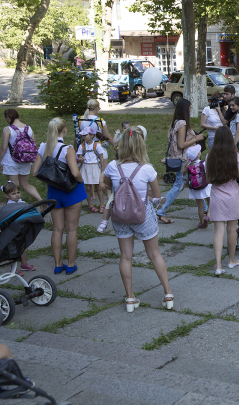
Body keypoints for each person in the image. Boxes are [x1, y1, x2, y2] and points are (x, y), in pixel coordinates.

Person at [102, 126, 173, 312]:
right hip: (143, 215)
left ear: (122, 145)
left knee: (125, 256)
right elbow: (156, 196)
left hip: (120, 216)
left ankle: (130, 298)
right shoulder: (147, 169)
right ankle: (167, 293)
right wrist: (142, 191)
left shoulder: (112, 166)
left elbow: (106, 185)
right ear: (141, 146)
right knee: (155, 254)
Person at [31, 118, 86, 275]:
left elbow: (35, 172)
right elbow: (75, 173)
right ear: (64, 130)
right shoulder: (68, 149)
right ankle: (70, 264)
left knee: (57, 229)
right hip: (71, 192)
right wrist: (82, 180)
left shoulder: (43, 147)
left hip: (53, 192)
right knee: (72, 229)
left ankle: (57, 264)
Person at [205, 126, 239, 275]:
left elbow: (208, 180)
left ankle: (218, 266)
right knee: (231, 230)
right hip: (233, 195)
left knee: (218, 231)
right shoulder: (236, 156)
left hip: (216, 195)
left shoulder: (210, 156)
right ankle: (231, 260)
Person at [156, 98, 206, 224]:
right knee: (180, 185)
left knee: (194, 182)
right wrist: (196, 138)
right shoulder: (182, 123)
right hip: (182, 160)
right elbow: (181, 145)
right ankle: (160, 211)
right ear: (185, 109)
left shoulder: (175, 122)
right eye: (189, 107)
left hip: (180, 159)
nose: (190, 109)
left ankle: (205, 208)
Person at [1, 109, 42, 202]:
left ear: (8, 117)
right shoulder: (29, 128)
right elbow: (33, 146)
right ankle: (41, 200)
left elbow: (3, 148)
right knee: (25, 184)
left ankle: (16, 208)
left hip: (11, 161)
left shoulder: (8, 129)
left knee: (13, 187)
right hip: (26, 160)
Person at [2, 181, 35, 275]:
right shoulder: (8, 207)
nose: (17, 195)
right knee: (13, 250)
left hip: (21, 230)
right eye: (13, 193)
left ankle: (24, 264)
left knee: (22, 247)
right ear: (7, 196)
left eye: (18, 192)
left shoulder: (22, 203)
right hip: (12, 232)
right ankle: (13, 269)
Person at [76, 127, 106, 213]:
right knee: (88, 187)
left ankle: (102, 204)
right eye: (82, 135)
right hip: (86, 167)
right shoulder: (82, 146)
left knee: (98, 186)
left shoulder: (97, 145)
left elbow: (101, 158)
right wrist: (80, 159)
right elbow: (79, 157)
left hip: (95, 167)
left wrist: (102, 171)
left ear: (92, 135)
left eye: (85, 135)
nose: (83, 137)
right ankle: (90, 204)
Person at [184, 145, 211, 229]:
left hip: (195, 188)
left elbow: (185, 178)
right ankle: (208, 216)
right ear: (198, 155)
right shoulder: (203, 163)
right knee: (211, 202)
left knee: (200, 206)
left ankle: (201, 222)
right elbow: (208, 173)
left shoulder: (187, 166)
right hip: (206, 186)